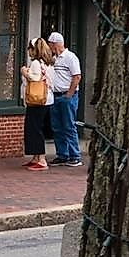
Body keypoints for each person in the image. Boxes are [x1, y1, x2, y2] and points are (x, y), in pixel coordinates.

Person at [45, 30, 82, 168]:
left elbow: (77, 76)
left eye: (50, 45)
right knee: (57, 127)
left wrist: (69, 94)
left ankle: (75, 155)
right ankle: (62, 154)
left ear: (56, 44)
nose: (50, 48)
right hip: (55, 95)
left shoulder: (70, 57)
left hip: (66, 96)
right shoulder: (54, 59)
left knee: (68, 126)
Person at [20, 38, 53, 169]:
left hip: (37, 100)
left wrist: (25, 72)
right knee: (36, 127)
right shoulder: (48, 63)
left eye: (30, 48)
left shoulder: (35, 63)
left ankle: (42, 159)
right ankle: (36, 157)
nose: (28, 51)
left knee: (34, 128)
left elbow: (35, 78)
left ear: (34, 50)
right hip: (47, 99)